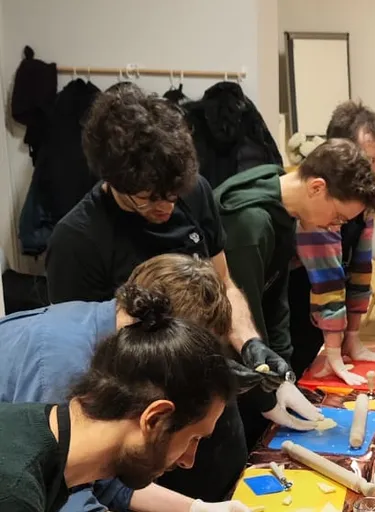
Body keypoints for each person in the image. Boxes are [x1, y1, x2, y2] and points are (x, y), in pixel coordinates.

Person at [42, 84, 310, 500]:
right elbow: (92, 376)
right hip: (152, 450)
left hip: (216, 427)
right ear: (111, 178)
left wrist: (250, 344)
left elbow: (223, 282)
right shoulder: (78, 242)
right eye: (150, 199)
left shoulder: (195, 192)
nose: (167, 207)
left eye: (174, 194)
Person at [0, 253, 259, 512]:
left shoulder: (79, 426)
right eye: (193, 438)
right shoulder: (58, 364)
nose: (188, 461)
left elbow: (104, 469)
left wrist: (196, 508)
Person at [215, 138, 375, 440]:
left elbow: (276, 299)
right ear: (317, 188)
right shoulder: (249, 225)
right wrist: (269, 392)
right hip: (219, 359)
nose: (336, 228)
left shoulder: (285, 207)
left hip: (251, 350)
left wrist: (285, 371)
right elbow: (242, 322)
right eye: (338, 218)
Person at [287, 101, 375, 384]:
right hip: (299, 309)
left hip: (327, 315)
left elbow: (361, 269)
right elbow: (327, 280)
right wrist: (333, 353)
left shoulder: (362, 197)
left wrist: (353, 338)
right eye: (371, 161)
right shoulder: (321, 199)